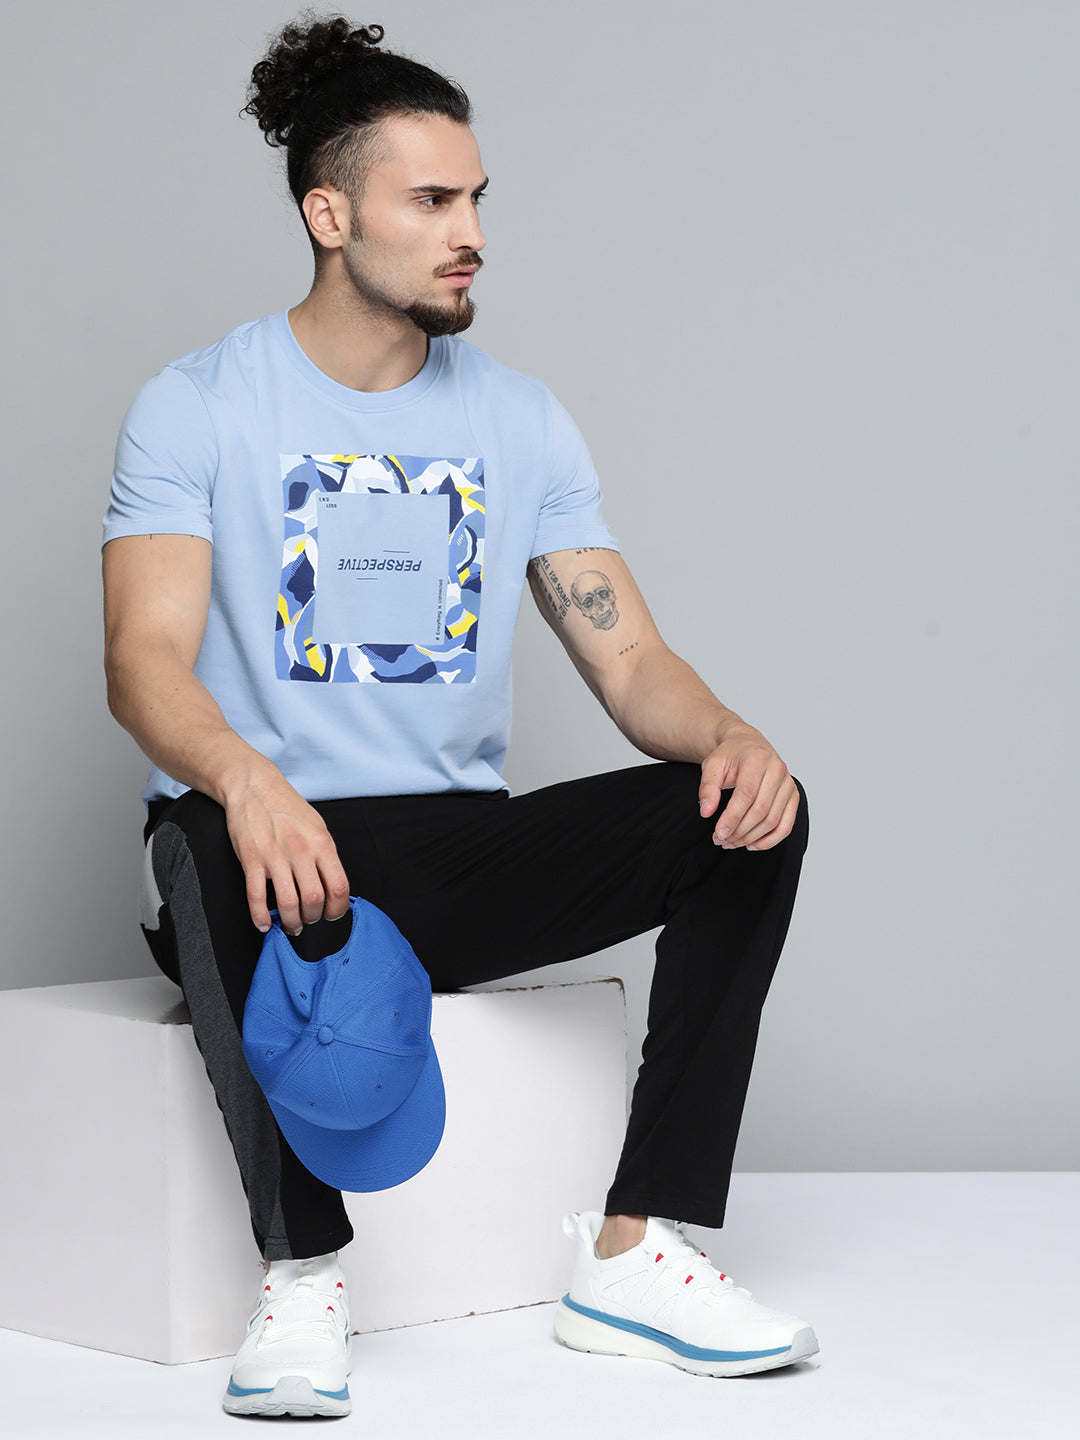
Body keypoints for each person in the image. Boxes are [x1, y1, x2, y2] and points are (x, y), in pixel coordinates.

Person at [102, 14, 817, 1419]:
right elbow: (144, 662)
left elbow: (630, 661)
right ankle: (302, 1278)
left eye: (478, 198)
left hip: (447, 857)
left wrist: (729, 733)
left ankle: (637, 1248)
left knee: (744, 815)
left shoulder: (522, 421)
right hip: (267, 849)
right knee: (201, 835)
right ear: (329, 214)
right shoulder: (198, 407)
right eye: (432, 201)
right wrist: (250, 781)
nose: (470, 233)